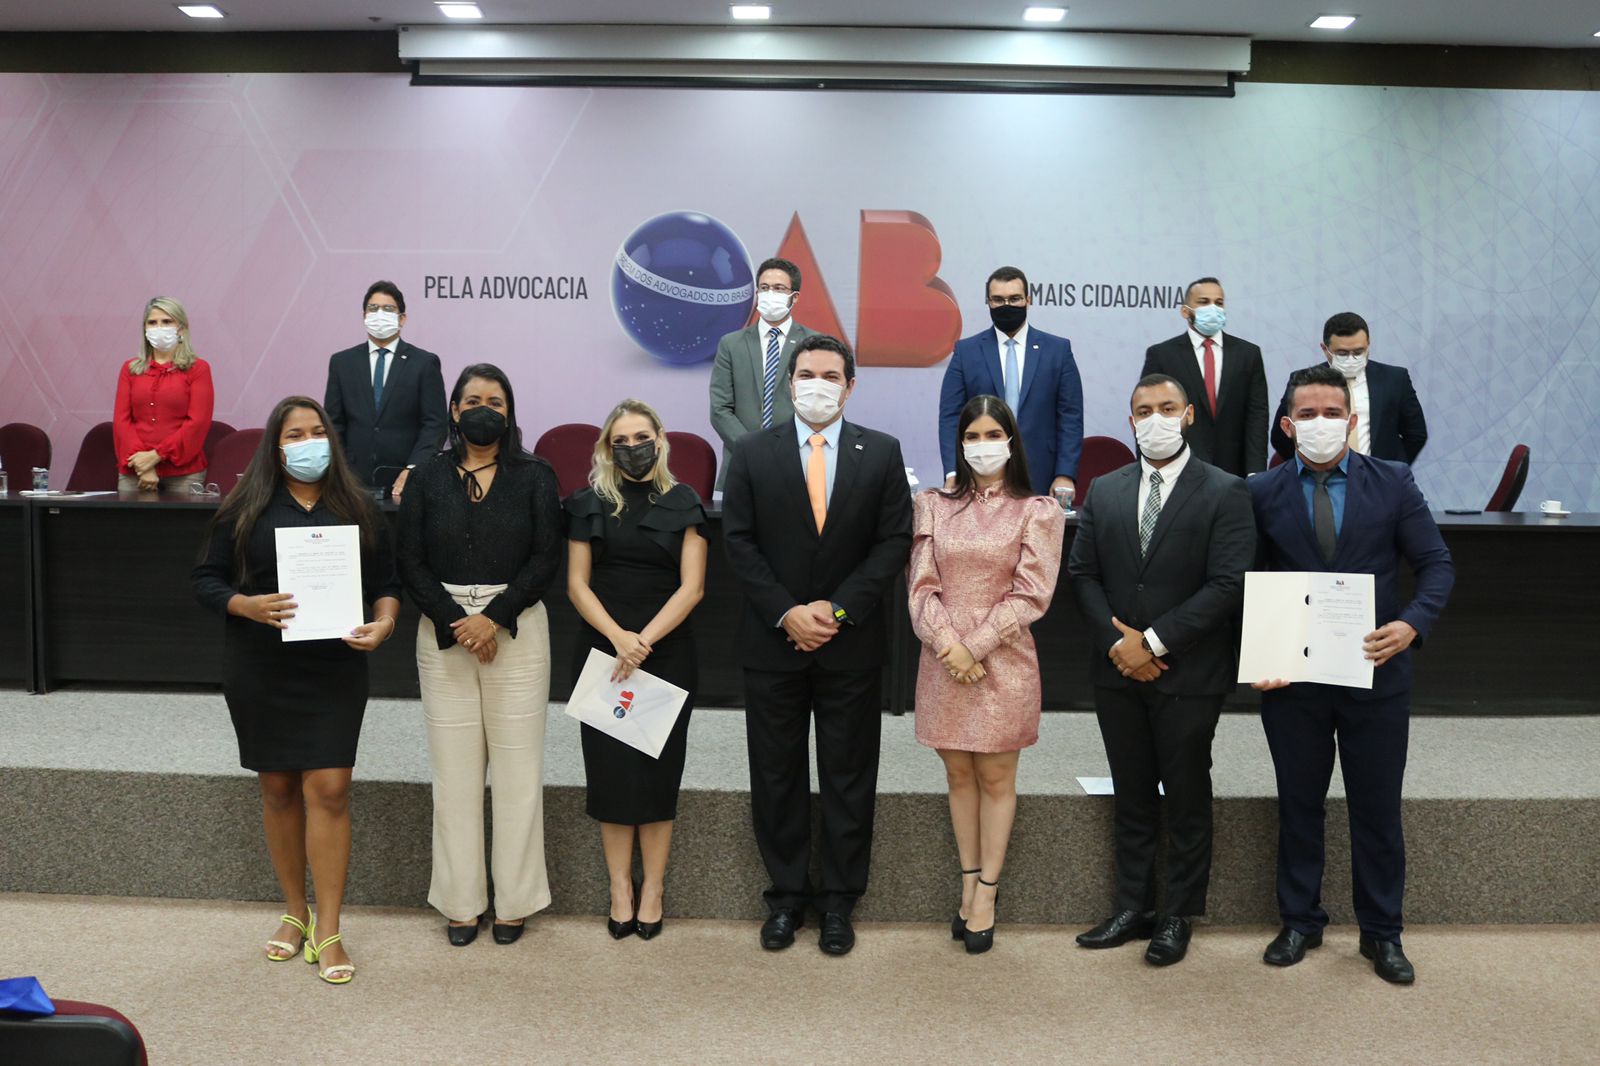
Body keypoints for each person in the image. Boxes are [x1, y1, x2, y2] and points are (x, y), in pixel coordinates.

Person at [1250, 363, 1454, 984]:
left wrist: (1412, 624)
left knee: (1376, 809)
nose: (1320, 423)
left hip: (1376, 674)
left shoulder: (1393, 481)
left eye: (1332, 413)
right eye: (1307, 414)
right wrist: (1260, 653)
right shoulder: (1259, 490)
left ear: (1352, 420)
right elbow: (1245, 581)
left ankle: (1382, 933)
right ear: (1288, 425)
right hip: (1294, 682)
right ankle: (1300, 921)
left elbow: (1436, 564)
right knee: (1298, 805)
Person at [192, 396, 400, 985]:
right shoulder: (245, 507)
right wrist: (246, 605)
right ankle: (295, 912)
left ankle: (329, 928)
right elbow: (205, 580)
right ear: (275, 446)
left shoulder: (359, 508)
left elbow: (387, 584)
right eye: (294, 435)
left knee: (330, 789)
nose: (307, 443)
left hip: (335, 667)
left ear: (331, 439)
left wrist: (384, 623)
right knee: (279, 788)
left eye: (316, 432)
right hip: (260, 666)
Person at [722, 334, 913, 956]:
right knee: (776, 774)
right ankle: (785, 898)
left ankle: (838, 902)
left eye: (831, 376)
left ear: (850, 387)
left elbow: (892, 542)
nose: (817, 385)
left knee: (847, 776)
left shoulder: (881, 452)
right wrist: (786, 612)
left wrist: (837, 609)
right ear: (789, 382)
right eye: (806, 374)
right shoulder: (752, 452)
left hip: (849, 643)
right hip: (772, 642)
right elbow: (739, 541)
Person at [1066, 374, 1256, 966]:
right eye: (1143, 410)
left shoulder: (1225, 490)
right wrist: (1118, 646)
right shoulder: (1106, 489)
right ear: (1130, 421)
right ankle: (1132, 905)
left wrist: (1151, 642)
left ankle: (1177, 913)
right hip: (1117, 672)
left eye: (1167, 407)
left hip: (1190, 673)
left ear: (1188, 414)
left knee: (1187, 793)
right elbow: (1083, 575)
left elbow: (1227, 583)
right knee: (1132, 790)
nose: (1155, 419)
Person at [396, 363, 563, 947]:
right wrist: (458, 622)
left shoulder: (536, 475)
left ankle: (515, 901)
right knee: (455, 776)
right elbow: (409, 560)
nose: (483, 410)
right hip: (443, 632)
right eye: (472, 400)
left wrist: (492, 618)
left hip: (516, 629)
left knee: (519, 774)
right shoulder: (426, 477)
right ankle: (461, 902)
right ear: (454, 410)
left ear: (509, 411)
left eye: (494, 401)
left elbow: (546, 558)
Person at [907, 395, 1063, 954]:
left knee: (996, 778)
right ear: (959, 444)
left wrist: (974, 647)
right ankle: (968, 881)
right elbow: (921, 587)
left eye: (993, 434)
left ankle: (988, 893)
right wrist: (949, 645)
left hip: (1005, 661)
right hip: (943, 659)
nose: (982, 445)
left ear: (1012, 441)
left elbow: (1032, 593)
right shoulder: (932, 504)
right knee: (958, 775)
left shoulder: (1038, 510)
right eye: (972, 436)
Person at [565, 400, 707, 940]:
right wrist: (619, 640)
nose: (632, 448)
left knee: (657, 775)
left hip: (666, 653)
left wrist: (642, 641)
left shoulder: (685, 501)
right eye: (620, 441)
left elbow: (692, 587)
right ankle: (620, 887)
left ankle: (654, 889)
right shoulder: (587, 503)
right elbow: (577, 585)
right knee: (611, 776)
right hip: (605, 654)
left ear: (660, 439)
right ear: (607, 447)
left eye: (641, 437)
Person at [939, 266, 1083, 498]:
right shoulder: (966, 352)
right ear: (988, 302)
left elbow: (1070, 417)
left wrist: (1065, 473)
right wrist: (952, 471)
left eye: (1014, 299)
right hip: (978, 474)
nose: (1006, 305)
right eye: (998, 299)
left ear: (1028, 300)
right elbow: (950, 417)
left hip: (1041, 473)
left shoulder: (1058, 350)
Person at [324, 280, 448, 501]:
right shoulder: (342, 363)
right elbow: (334, 423)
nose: (379, 314)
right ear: (364, 316)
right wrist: (342, 472)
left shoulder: (424, 363)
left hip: (406, 483)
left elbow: (435, 425)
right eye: (373, 308)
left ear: (402, 318)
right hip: (353, 485)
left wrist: (413, 468)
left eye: (388, 309)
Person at [708, 257, 821, 488]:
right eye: (764, 288)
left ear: (794, 297)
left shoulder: (815, 344)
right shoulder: (731, 344)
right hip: (741, 464)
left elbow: (817, 407)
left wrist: (783, 450)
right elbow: (720, 409)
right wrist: (753, 450)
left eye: (779, 288)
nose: (770, 294)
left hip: (796, 465)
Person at [1140, 277, 1269, 476]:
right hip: (1178, 468)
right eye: (1203, 302)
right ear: (1185, 311)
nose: (1213, 308)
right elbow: (1147, 415)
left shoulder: (1248, 354)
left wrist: (1255, 472)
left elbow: (1257, 417)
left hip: (1234, 471)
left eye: (1218, 303)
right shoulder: (1162, 355)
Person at [1271, 312, 1428, 464]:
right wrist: (1309, 469)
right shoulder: (1303, 381)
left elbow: (1416, 434)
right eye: (1342, 353)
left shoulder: (1395, 379)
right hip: (1321, 477)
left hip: (1378, 476)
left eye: (1359, 352)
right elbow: (1281, 437)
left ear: (1368, 344)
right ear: (1325, 349)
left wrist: (1391, 470)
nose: (1351, 358)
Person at [113, 297, 214, 493]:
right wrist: (144, 465)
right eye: (152, 322)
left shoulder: (198, 369)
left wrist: (157, 455)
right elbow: (122, 421)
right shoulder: (130, 369)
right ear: (144, 329)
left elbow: (198, 422)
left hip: (183, 472)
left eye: (167, 322)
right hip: (136, 469)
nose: (159, 327)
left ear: (181, 328)